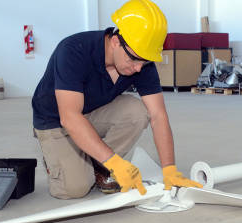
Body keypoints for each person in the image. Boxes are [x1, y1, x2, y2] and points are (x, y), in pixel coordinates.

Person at [31, 0, 201, 199]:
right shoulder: (73, 50)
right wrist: (116, 163)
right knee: (75, 188)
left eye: (144, 61)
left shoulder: (140, 60)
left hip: (92, 111)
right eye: (134, 59)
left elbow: (158, 115)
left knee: (137, 112)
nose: (138, 68)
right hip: (55, 120)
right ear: (115, 42)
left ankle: (98, 165)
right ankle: (66, 161)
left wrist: (170, 169)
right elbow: (69, 117)